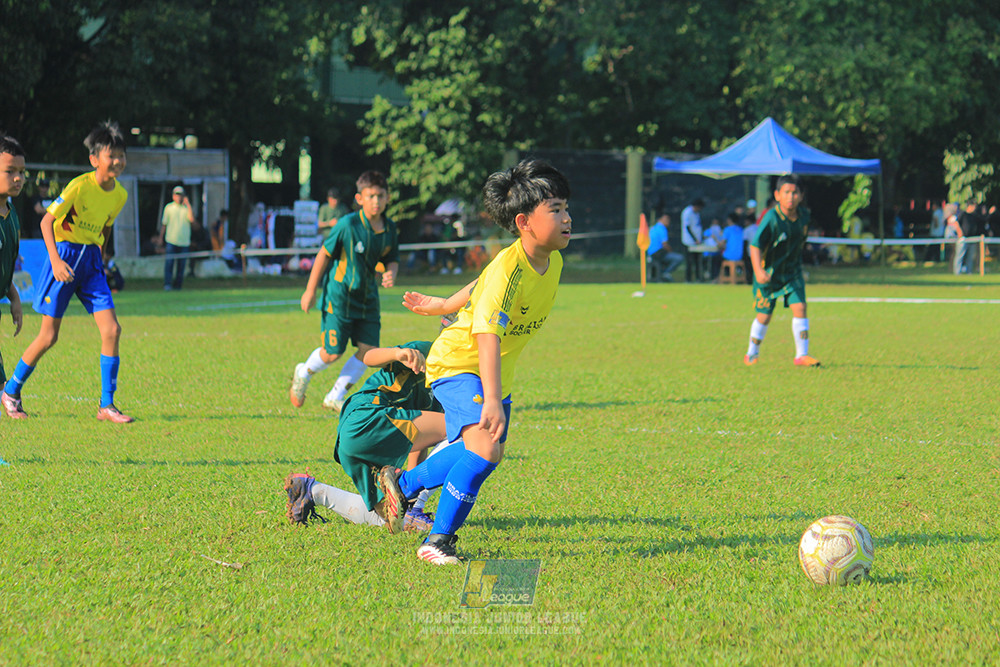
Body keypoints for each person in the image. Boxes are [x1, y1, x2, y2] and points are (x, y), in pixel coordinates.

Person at [375, 158, 572, 565]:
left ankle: (405, 481)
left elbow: (480, 283)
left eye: (566, 208)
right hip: (460, 364)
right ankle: (437, 541)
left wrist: (445, 304)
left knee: (484, 453)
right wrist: (494, 398)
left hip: (489, 370)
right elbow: (488, 334)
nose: (567, 218)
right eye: (555, 210)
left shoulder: (550, 261)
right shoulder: (509, 269)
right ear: (524, 222)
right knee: (484, 450)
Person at [1, 121, 134, 422]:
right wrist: (57, 261)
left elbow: (106, 226)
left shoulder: (120, 195)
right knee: (49, 336)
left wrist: (100, 256)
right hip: (64, 255)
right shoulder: (79, 186)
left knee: (112, 330)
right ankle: (10, 391)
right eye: (111, 155)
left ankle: (107, 405)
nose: (118, 161)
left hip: (90, 263)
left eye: (121, 155)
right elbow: (48, 222)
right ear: (94, 159)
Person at [283, 340, 454, 532]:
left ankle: (312, 491)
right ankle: (412, 502)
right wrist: (397, 354)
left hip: (356, 439)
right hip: (368, 417)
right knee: (468, 428)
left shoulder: (453, 381)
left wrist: (412, 503)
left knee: (392, 517)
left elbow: (421, 440)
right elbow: (368, 357)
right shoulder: (430, 351)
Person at [289, 170, 399, 412]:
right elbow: (323, 255)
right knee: (332, 353)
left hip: (368, 298)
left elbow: (391, 258)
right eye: (370, 196)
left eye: (380, 196)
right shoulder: (347, 225)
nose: (376, 201)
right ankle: (303, 372)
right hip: (339, 298)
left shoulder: (390, 229)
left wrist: (391, 272)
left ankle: (335, 395)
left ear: (388, 197)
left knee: (369, 352)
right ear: (360, 198)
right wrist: (310, 290)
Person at [743, 174, 819, 368]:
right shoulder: (771, 218)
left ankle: (802, 355)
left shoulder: (804, 217)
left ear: (801, 196)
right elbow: (755, 246)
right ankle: (752, 353)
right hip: (769, 274)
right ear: (777, 195)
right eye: (787, 192)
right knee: (764, 315)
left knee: (800, 307)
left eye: (795, 193)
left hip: (792, 273)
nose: (791, 197)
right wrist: (759, 271)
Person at [0, 135, 26, 414]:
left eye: (21, 172)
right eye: (10, 171)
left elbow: (5, 264)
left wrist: (14, 297)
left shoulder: (12, 214)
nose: (18, 178)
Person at [158, 185, 195, 290]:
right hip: (171, 240)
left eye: (181, 195)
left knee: (181, 266)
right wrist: (161, 238)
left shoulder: (186, 209)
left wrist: (188, 204)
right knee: (169, 264)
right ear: (173, 196)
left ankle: (178, 286)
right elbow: (164, 224)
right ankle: (168, 284)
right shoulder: (169, 208)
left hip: (184, 242)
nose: (179, 197)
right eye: (177, 195)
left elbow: (192, 220)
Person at [647, 213, 683, 282]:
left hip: (650, 254)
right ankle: (665, 273)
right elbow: (665, 244)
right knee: (679, 258)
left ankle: (663, 274)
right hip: (659, 253)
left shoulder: (653, 228)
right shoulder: (662, 228)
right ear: (660, 219)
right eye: (666, 220)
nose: (668, 222)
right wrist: (670, 251)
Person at [680, 198, 704, 282]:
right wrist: (695, 239)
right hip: (688, 241)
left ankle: (698, 278)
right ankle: (688, 279)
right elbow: (687, 227)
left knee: (697, 261)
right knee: (689, 262)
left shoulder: (696, 214)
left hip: (697, 241)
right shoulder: (687, 213)